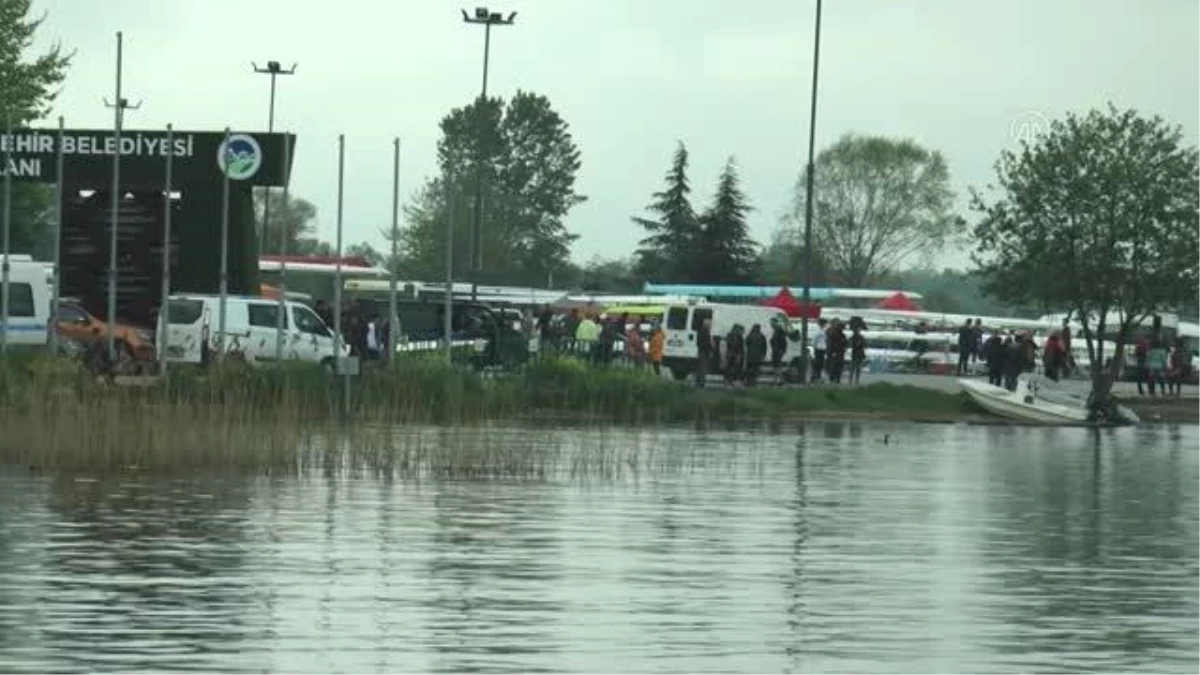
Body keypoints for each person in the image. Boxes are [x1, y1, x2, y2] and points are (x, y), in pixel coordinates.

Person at [826, 319, 847, 384]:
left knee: (839, 366)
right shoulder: (833, 334)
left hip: (840, 352)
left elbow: (845, 343)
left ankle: (837, 378)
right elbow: (830, 343)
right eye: (841, 327)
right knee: (834, 365)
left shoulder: (843, 335)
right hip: (834, 352)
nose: (842, 329)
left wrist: (844, 348)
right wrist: (832, 351)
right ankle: (832, 378)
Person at [696, 318, 713, 387]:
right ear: (706, 324)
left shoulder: (701, 331)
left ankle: (699, 382)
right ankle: (701, 383)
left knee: (700, 368)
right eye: (709, 324)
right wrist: (709, 351)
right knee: (703, 368)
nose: (710, 326)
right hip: (704, 352)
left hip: (701, 351)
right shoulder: (705, 332)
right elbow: (706, 343)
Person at [811, 319, 828, 383]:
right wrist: (814, 348)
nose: (824, 325)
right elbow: (814, 341)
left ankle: (818, 376)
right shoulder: (818, 331)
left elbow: (826, 340)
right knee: (817, 363)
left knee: (821, 363)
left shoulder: (824, 331)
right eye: (823, 324)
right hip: (818, 349)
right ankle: (815, 376)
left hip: (823, 349)